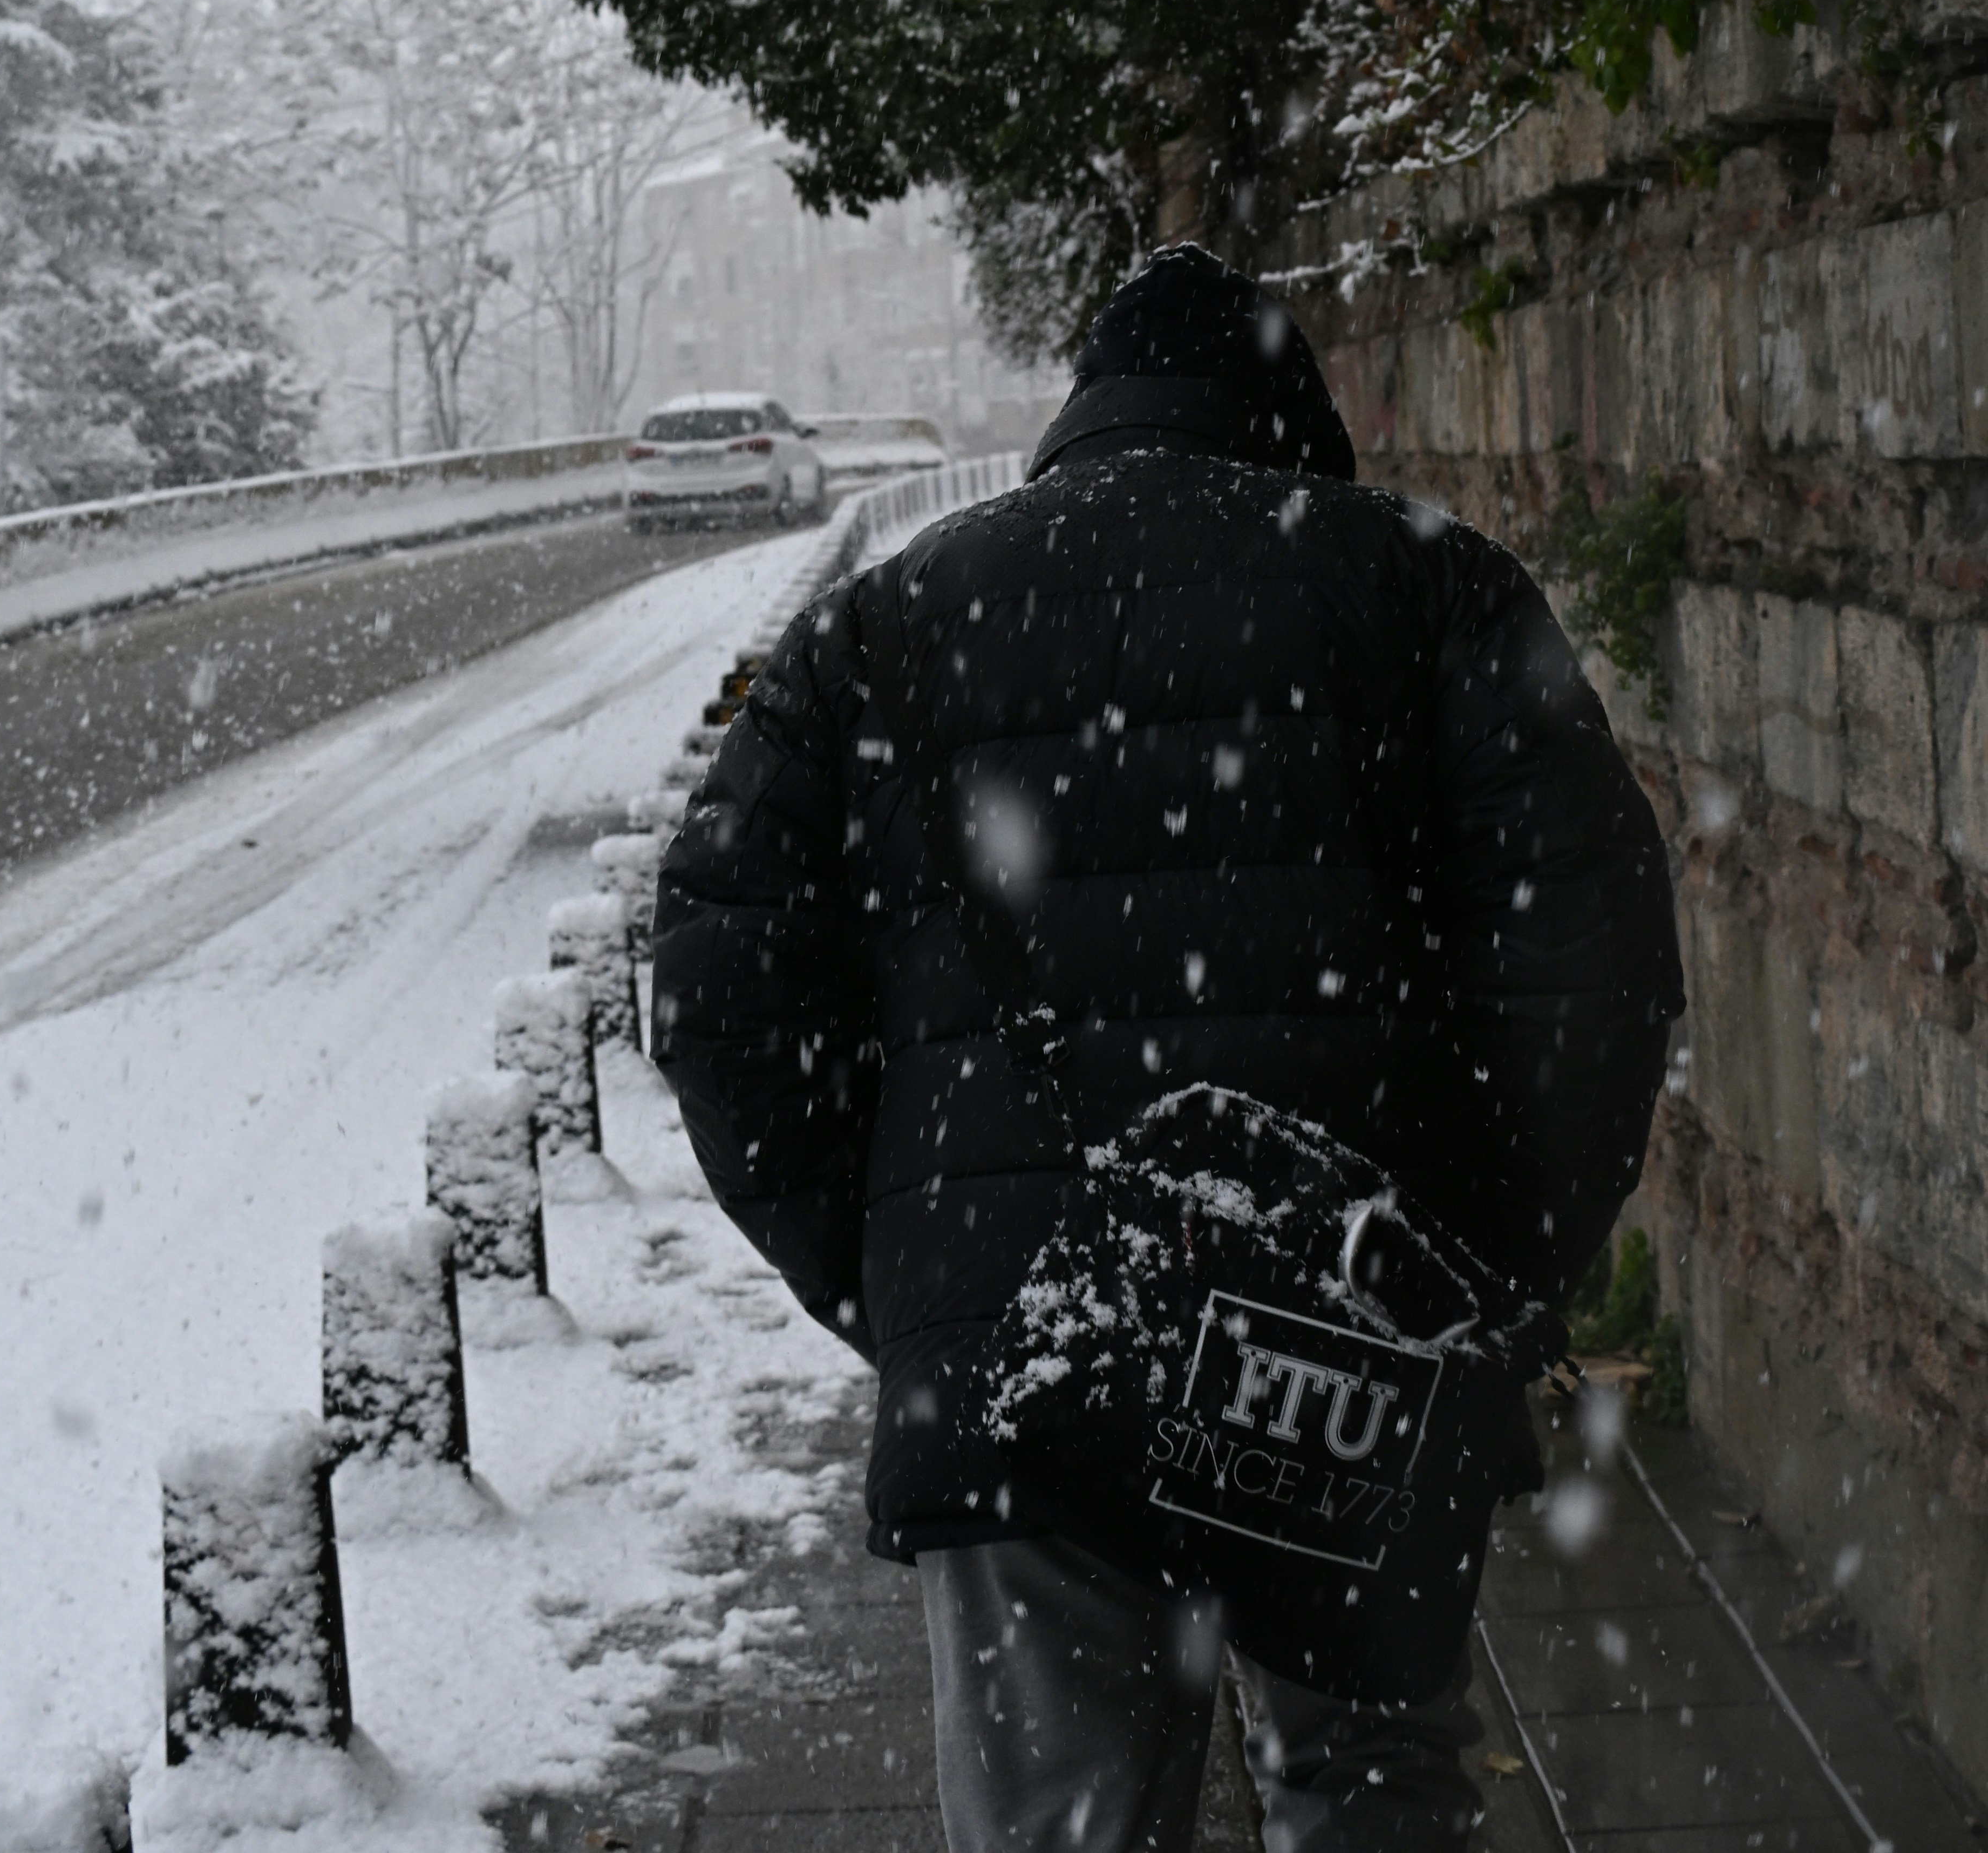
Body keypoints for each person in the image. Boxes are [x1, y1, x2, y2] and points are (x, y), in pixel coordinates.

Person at [651, 242, 1685, 1850]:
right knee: (1368, 1797)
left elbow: (721, 988)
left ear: (1084, 410)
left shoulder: (888, 628)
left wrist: (915, 1282)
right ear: (1293, 412)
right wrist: (1481, 1273)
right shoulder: (1426, 587)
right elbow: (1592, 969)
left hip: (1022, 1353)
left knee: (1060, 1818)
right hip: (1354, 1345)